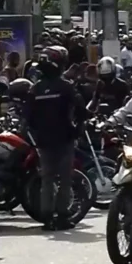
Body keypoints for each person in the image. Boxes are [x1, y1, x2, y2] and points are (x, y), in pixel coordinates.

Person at [24, 46, 89, 231]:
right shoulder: (65, 87)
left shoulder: (35, 89)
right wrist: (78, 129)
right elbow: (81, 110)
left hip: (43, 141)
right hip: (64, 139)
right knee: (64, 179)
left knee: (47, 179)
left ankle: (47, 217)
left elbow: (26, 118)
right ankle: (61, 215)